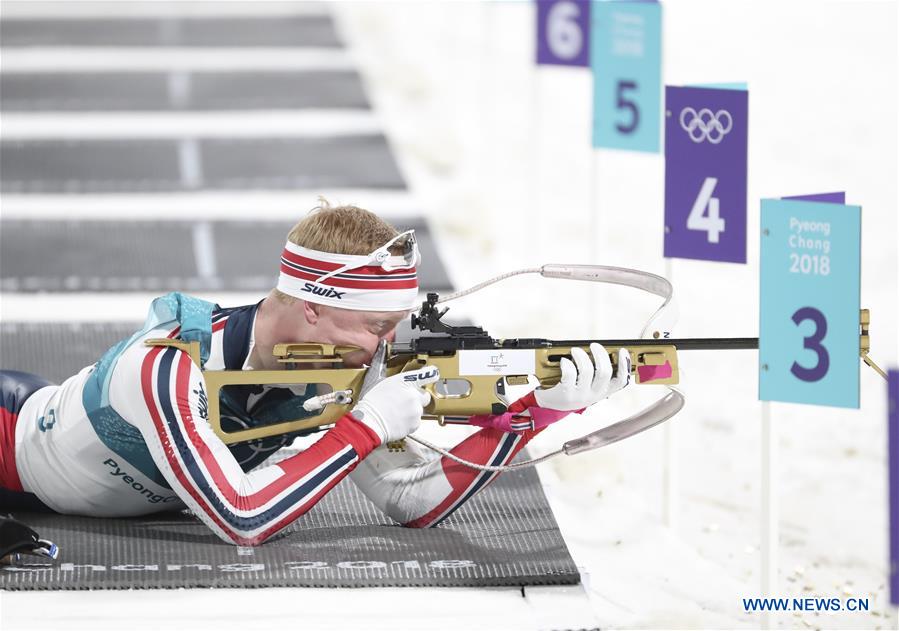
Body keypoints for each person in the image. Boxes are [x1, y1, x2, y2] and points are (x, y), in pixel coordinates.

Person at [0, 201, 630, 545]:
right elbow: (243, 518)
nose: (385, 348)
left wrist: (534, 414)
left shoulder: (341, 370)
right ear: (311, 307)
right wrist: (365, 428)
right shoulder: (166, 367)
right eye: (376, 329)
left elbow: (411, 502)